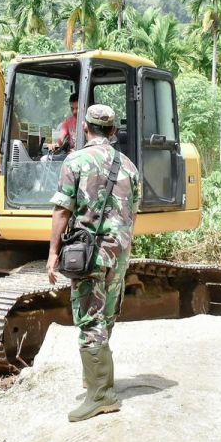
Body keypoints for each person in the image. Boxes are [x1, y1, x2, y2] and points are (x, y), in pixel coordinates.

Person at [47, 103, 141, 422]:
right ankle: (98, 379)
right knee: (107, 316)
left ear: (85, 128)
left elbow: (62, 210)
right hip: (120, 252)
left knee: (90, 319)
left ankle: (101, 394)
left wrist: (52, 254)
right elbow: (132, 212)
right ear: (114, 131)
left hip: (89, 253)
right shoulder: (129, 166)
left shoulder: (76, 161)